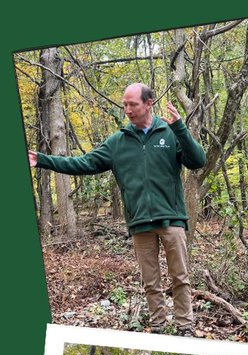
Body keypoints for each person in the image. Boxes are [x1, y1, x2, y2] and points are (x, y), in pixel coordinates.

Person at [29, 83, 207, 336]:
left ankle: (185, 327)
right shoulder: (117, 142)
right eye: (124, 104)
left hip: (172, 220)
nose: (127, 109)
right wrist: (44, 160)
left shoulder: (170, 133)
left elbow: (197, 161)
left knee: (180, 277)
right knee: (150, 282)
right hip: (140, 222)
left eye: (132, 104)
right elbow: (84, 163)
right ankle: (158, 325)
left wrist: (180, 128)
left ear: (148, 103)